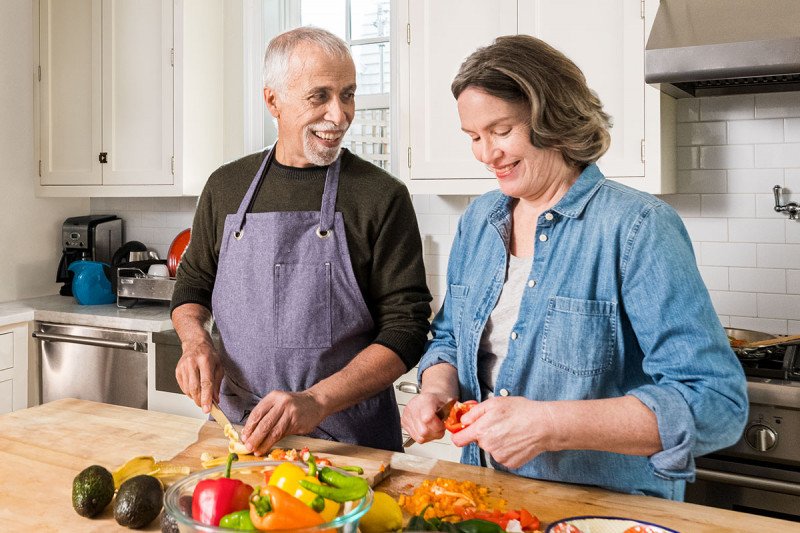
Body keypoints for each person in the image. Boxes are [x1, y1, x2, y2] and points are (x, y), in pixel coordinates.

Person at [400, 35, 748, 500]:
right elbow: (446, 338)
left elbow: (715, 403)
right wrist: (435, 392)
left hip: (607, 510)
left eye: (501, 131)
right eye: (473, 137)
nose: (486, 155)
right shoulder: (480, 221)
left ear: (554, 119)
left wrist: (547, 425)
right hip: (487, 496)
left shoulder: (637, 227)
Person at [171, 26, 431, 455]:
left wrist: (317, 401)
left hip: (349, 442)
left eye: (347, 94)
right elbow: (193, 284)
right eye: (320, 96)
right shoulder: (225, 186)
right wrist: (194, 341)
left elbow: (407, 328)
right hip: (240, 434)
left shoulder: (381, 195)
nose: (339, 115)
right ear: (272, 100)